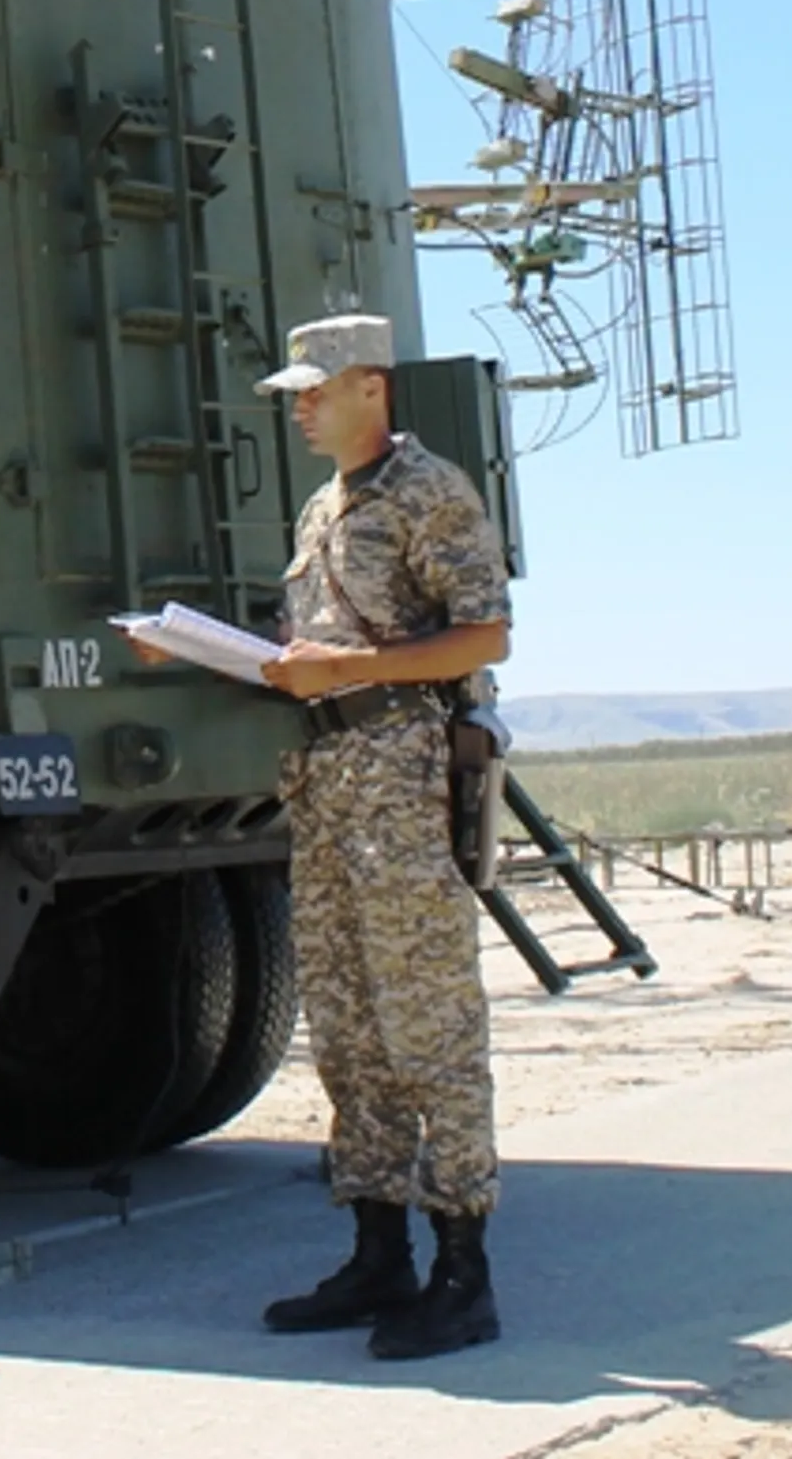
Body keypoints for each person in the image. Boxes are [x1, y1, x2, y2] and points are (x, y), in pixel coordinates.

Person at [252, 314, 513, 1362]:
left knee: (428, 1028)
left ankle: (465, 1268)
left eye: (317, 387)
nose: (301, 404)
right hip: (328, 783)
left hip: (404, 778)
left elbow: (485, 631)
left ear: (372, 383)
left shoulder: (430, 490)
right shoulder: (327, 504)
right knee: (350, 1027)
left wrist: (346, 672)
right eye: (296, 391)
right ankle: (378, 1250)